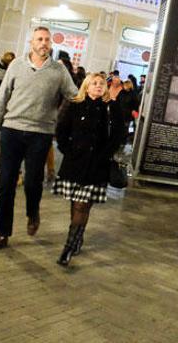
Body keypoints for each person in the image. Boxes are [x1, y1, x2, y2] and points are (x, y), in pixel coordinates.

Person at [0, 26, 78, 252]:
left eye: (47, 40)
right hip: (12, 131)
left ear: (51, 44)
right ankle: (2, 233)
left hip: (40, 134)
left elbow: (74, 95)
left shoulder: (58, 71)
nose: (44, 43)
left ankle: (32, 212)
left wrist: (96, 92)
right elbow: (0, 100)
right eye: (39, 39)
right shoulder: (16, 65)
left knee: (33, 182)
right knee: (5, 184)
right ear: (31, 42)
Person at [53, 72, 125, 266]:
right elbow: (61, 130)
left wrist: (104, 154)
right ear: (86, 86)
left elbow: (119, 135)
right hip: (74, 164)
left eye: (101, 83)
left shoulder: (110, 108)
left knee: (82, 205)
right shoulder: (74, 105)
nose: (98, 86)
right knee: (76, 204)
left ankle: (68, 247)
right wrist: (67, 150)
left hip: (96, 166)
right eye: (93, 83)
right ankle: (77, 237)